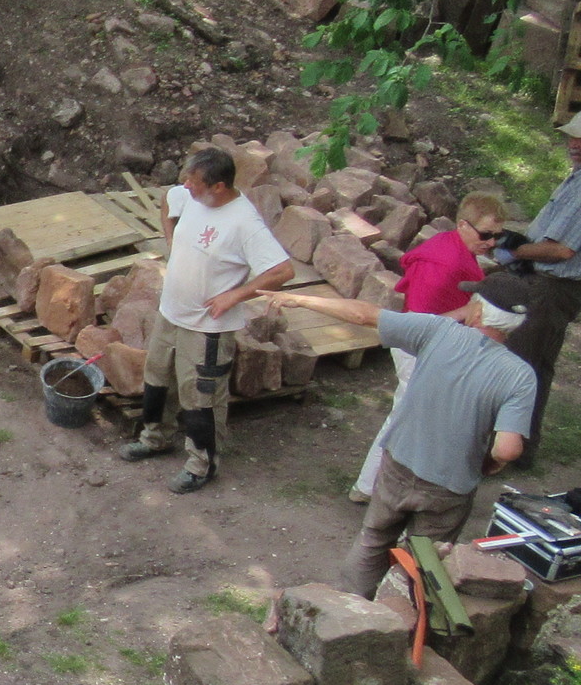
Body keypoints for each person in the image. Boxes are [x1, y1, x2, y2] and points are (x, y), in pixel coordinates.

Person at [269, 287, 535, 597]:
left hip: (399, 464)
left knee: (373, 539)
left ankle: (350, 603)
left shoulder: (438, 330)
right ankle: (405, 612)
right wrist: (491, 464)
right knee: (425, 560)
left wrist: (301, 299)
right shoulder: (520, 376)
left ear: (477, 312)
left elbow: (362, 315)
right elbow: (507, 449)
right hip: (450, 484)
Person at [120, 148, 295, 494]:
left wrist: (235, 295)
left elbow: (282, 270)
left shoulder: (244, 223)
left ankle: (202, 464)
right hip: (171, 313)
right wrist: (171, 239)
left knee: (202, 398)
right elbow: (168, 201)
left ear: (218, 186)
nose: (185, 185)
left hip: (207, 329)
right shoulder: (191, 196)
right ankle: (155, 438)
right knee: (157, 380)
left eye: (194, 181)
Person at [478, 104, 581, 462]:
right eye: (572, 137)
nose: (574, 144)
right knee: (533, 366)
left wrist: (511, 248)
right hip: (545, 281)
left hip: (552, 286)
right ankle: (518, 448)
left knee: (516, 367)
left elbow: (561, 250)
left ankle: (500, 451)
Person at [351, 191, 511, 502]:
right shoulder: (444, 265)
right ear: (463, 225)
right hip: (419, 349)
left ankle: (382, 486)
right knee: (403, 418)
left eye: (498, 236)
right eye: (486, 235)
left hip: (431, 345)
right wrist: (466, 312)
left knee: (412, 417)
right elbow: (421, 324)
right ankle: (368, 487)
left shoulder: (452, 247)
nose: (492, 243)